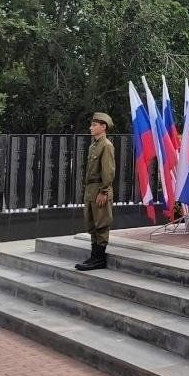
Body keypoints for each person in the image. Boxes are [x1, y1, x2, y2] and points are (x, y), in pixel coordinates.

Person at [75, 111, 116, 272]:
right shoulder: (94, 145)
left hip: (100, 189)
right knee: (91, 224)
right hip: (91, 190)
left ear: (103, 127)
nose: (90, 127)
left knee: (101, 224)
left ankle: (99, 258)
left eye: (94, 125)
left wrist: (104, 191)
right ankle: (94, 256)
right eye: (91, 124)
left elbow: (108, 171)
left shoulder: (106, 146)